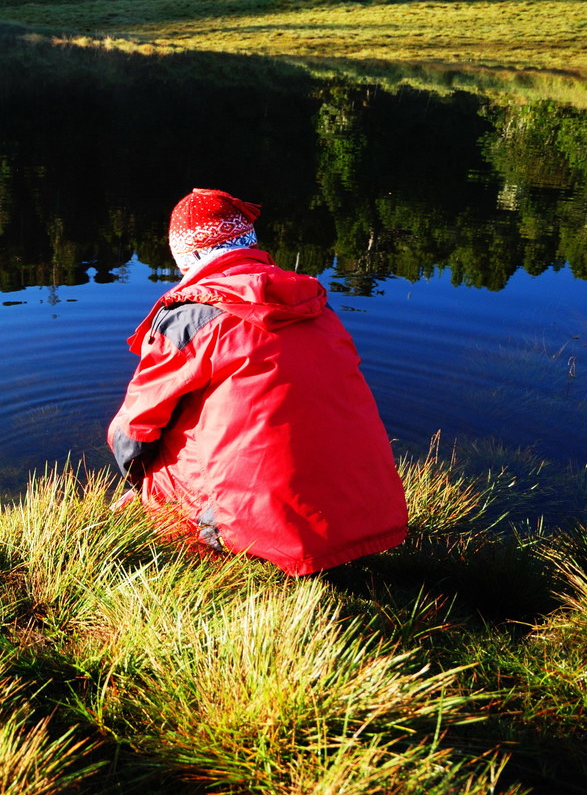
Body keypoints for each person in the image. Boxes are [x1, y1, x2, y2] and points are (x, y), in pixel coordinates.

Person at [107, 188, 407, 576]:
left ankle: (203, 541)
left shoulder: (191, 317)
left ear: (194, 256)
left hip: (266, 536)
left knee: (155, 455)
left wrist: (139, 481)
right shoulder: (314, 303)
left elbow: (132, 433)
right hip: (367, 517)